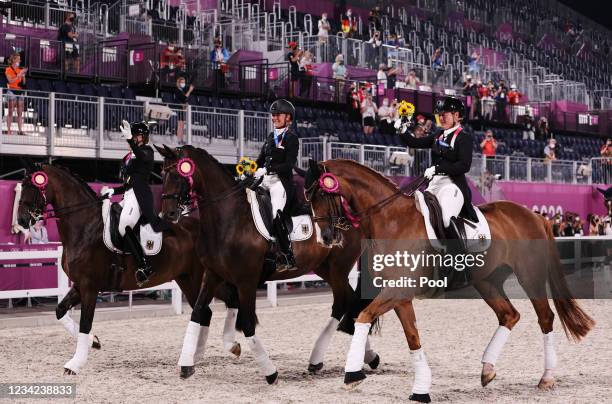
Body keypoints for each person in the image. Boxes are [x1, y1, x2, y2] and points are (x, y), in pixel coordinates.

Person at [396, 97, 477, 248]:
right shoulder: (438, 135)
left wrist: (438, 169)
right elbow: (415, 142)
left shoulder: (464, 138)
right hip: (434, 185)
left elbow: (464, 165)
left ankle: (460, 262)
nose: (441, 118)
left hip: (453, 186)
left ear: (457, 116)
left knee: (446, 218)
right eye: (439, 115)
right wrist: (402, 128)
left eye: (445, 114)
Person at [100, 121, 171, 286]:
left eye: (137, 136)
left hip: (139, 197)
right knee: (112, 219)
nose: (134, 139)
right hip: (128, 194)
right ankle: (119, 259)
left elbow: (141, 156)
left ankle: (145, 266)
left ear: (143, 137)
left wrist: (131, 140)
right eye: (133, 136)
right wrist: (113, 191)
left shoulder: (147, 151)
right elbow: (128, 183)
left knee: (125, 225)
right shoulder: (130, 156)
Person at [254, 99, 299, 271]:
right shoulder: (269, 138)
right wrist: (249, 169)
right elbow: (259, 160)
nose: (274, 118)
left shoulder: (291, 138)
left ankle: (287, 256)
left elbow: (289, 165)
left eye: (277, 114)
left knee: (275, 214)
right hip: (265, 179)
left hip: (280, 183)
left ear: (288, 117)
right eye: (273, 115)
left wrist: (267, 169)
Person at [4, 53, 27, 136]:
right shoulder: (8, 69)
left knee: (20, 112)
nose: (19, 61)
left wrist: (23, 76)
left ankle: (20, 130)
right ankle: (9, 130)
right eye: (17, 59)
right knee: (10, 111)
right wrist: (19, 75)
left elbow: (23, 83)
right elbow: (10, 81)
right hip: (12, 91)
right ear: (13, 60)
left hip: (20, 91)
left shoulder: (19, 70)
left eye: (19, 59)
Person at [175, 77, 194, 145]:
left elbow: (186, 99)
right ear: (179, 83)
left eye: (184, 82)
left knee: (182, 125)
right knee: (180, 125)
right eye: (182, 82)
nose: (183, 83)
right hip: (179, 108)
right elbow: (184, 98)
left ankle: (181, 139)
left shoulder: (182, 90)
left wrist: (186, 103)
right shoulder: (177, 90)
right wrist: (190, 90)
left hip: (183, 109)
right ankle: (179, 139)